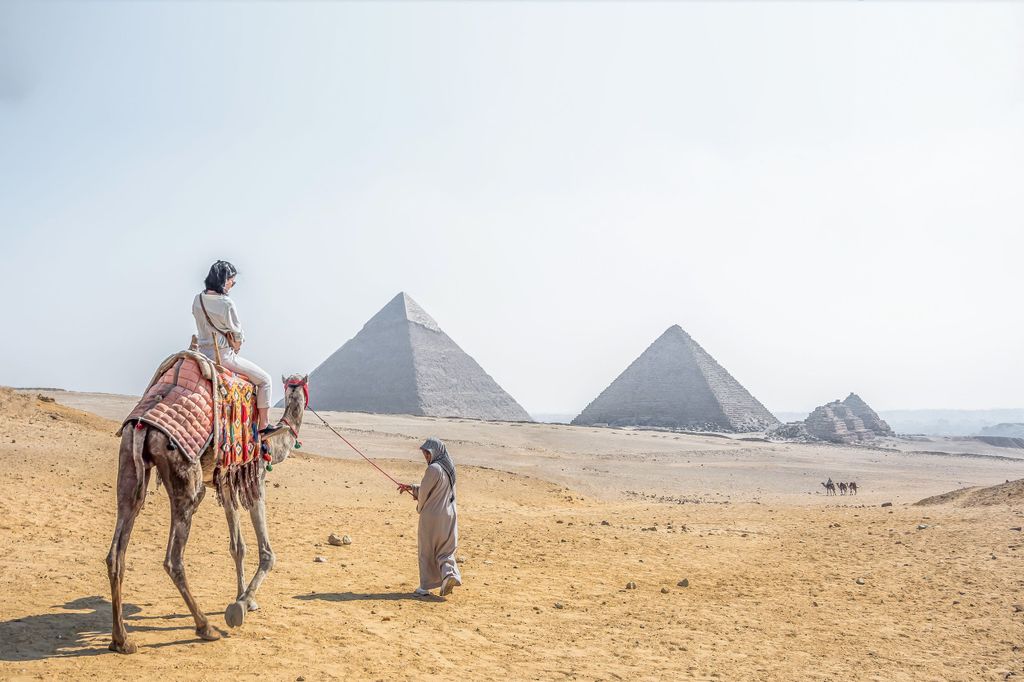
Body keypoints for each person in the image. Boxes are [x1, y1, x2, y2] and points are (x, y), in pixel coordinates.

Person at [192, 260, 274, 431]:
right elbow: (237, 336)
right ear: (224, 280)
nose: (232, 285)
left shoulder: (197, 299)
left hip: (200, 355)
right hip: (223, 357)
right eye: (232, 281)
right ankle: (264, 425)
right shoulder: (226, 303)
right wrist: (236, 346)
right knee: (265, 380)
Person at [398, 437, 462, 597]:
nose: (426, 457)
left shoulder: (433, 469)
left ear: (435, 452)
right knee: (445, 549)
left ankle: (425, 587)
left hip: (432, 516)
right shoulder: (449, 467)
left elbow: (425, 493)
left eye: (428, 453)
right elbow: (438, 489)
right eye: (425, 454)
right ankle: (449, 575)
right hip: (449, 514)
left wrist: (419, 503)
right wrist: (412, 488)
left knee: (427, 549)